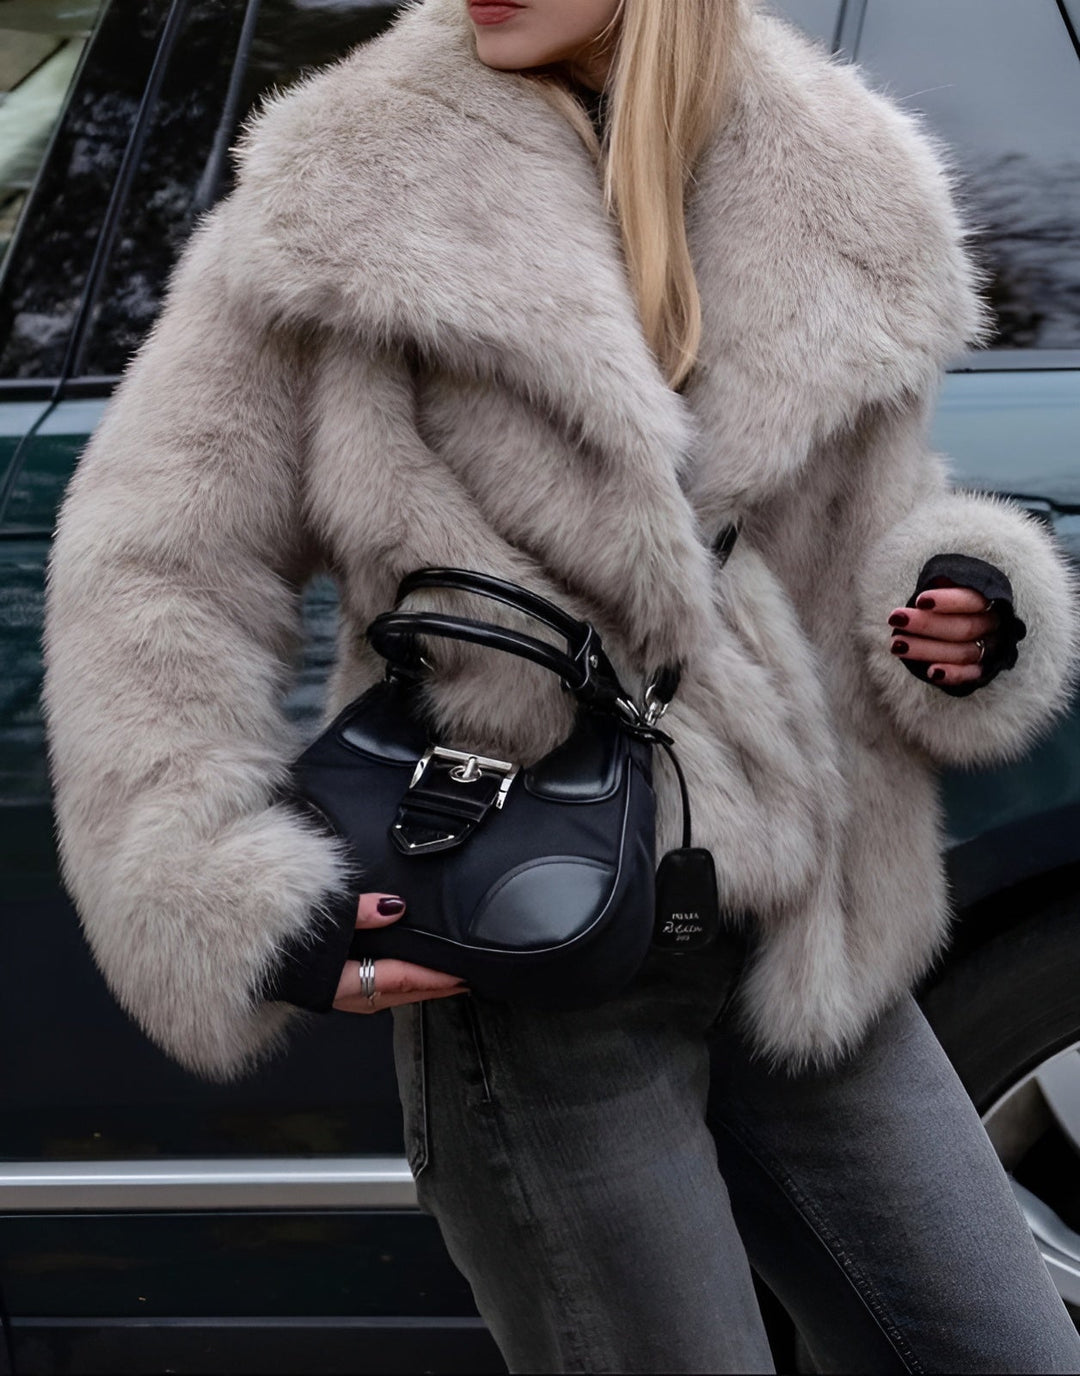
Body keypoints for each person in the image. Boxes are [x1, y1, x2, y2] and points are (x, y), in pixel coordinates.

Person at [40, 0, 1080, 1370]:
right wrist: (214, 879)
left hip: (808, 946)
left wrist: (965, 603)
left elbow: (874, 524)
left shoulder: (845, 187)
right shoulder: (353, 186)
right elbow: (159, 560)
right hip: (530, 954)